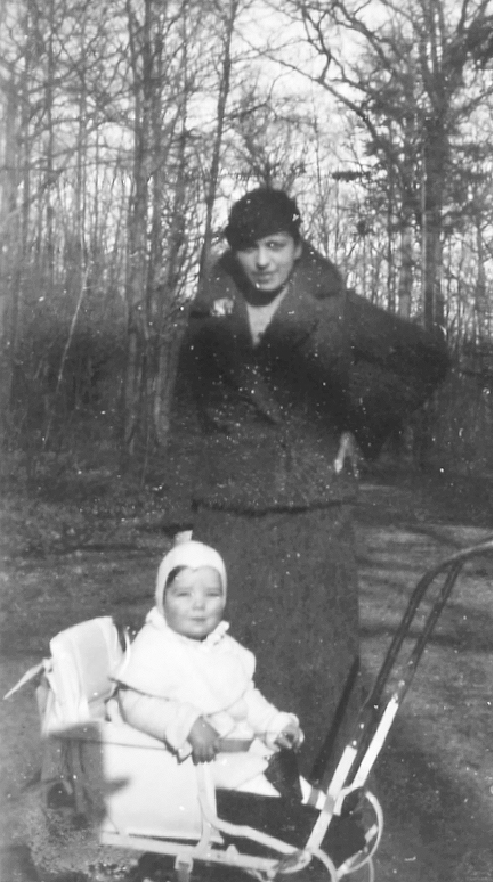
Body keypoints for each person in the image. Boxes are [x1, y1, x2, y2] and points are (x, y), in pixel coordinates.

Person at [169, 187, 365, 784]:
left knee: (322, 663)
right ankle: (242, 798)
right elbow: (185, 418)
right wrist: (180, 520)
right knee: (236, 660)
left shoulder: (333, 308)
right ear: (234, 253)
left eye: (276, 246)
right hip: (232, 511)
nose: (263, 262)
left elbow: (374, 386)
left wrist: (357, 432)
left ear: (298, 246)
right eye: (250, 248)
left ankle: (327, 795)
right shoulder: (208, 317)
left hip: (316, 508)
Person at [116, 539, 304, 796]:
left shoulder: (221, 645)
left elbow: (244, 698)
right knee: (263, 794)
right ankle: (301, 821)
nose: (199, 605)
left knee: (290, 780)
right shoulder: (154, 646)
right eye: (183, 594)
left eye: (212, 594)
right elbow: (136, 706)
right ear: (162, 598)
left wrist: (273, 723)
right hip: (199, 767)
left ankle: (327, 811)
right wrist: (187, 723)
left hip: (241, 753)